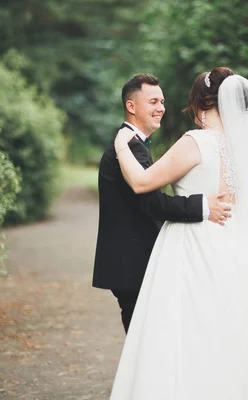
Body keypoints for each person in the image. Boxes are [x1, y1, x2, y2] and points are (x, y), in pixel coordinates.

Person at [109, 67, 248, 399]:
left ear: (198, 103)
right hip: (224, 249)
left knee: (184, 331)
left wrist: (122, 145)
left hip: (188, 247)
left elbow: (141, 182)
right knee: (224, 329)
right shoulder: (237, 150)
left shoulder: (196, 141)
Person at [93, 73, 232, 334]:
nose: (161, 108)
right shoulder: (128, 146)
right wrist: (203, 207)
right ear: (131, 106)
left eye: (163, 101)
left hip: (135, 261)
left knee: (147, 338)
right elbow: (151, 203)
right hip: (132, 263)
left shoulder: (133, 145)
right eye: (153, 101)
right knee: (142, 337)